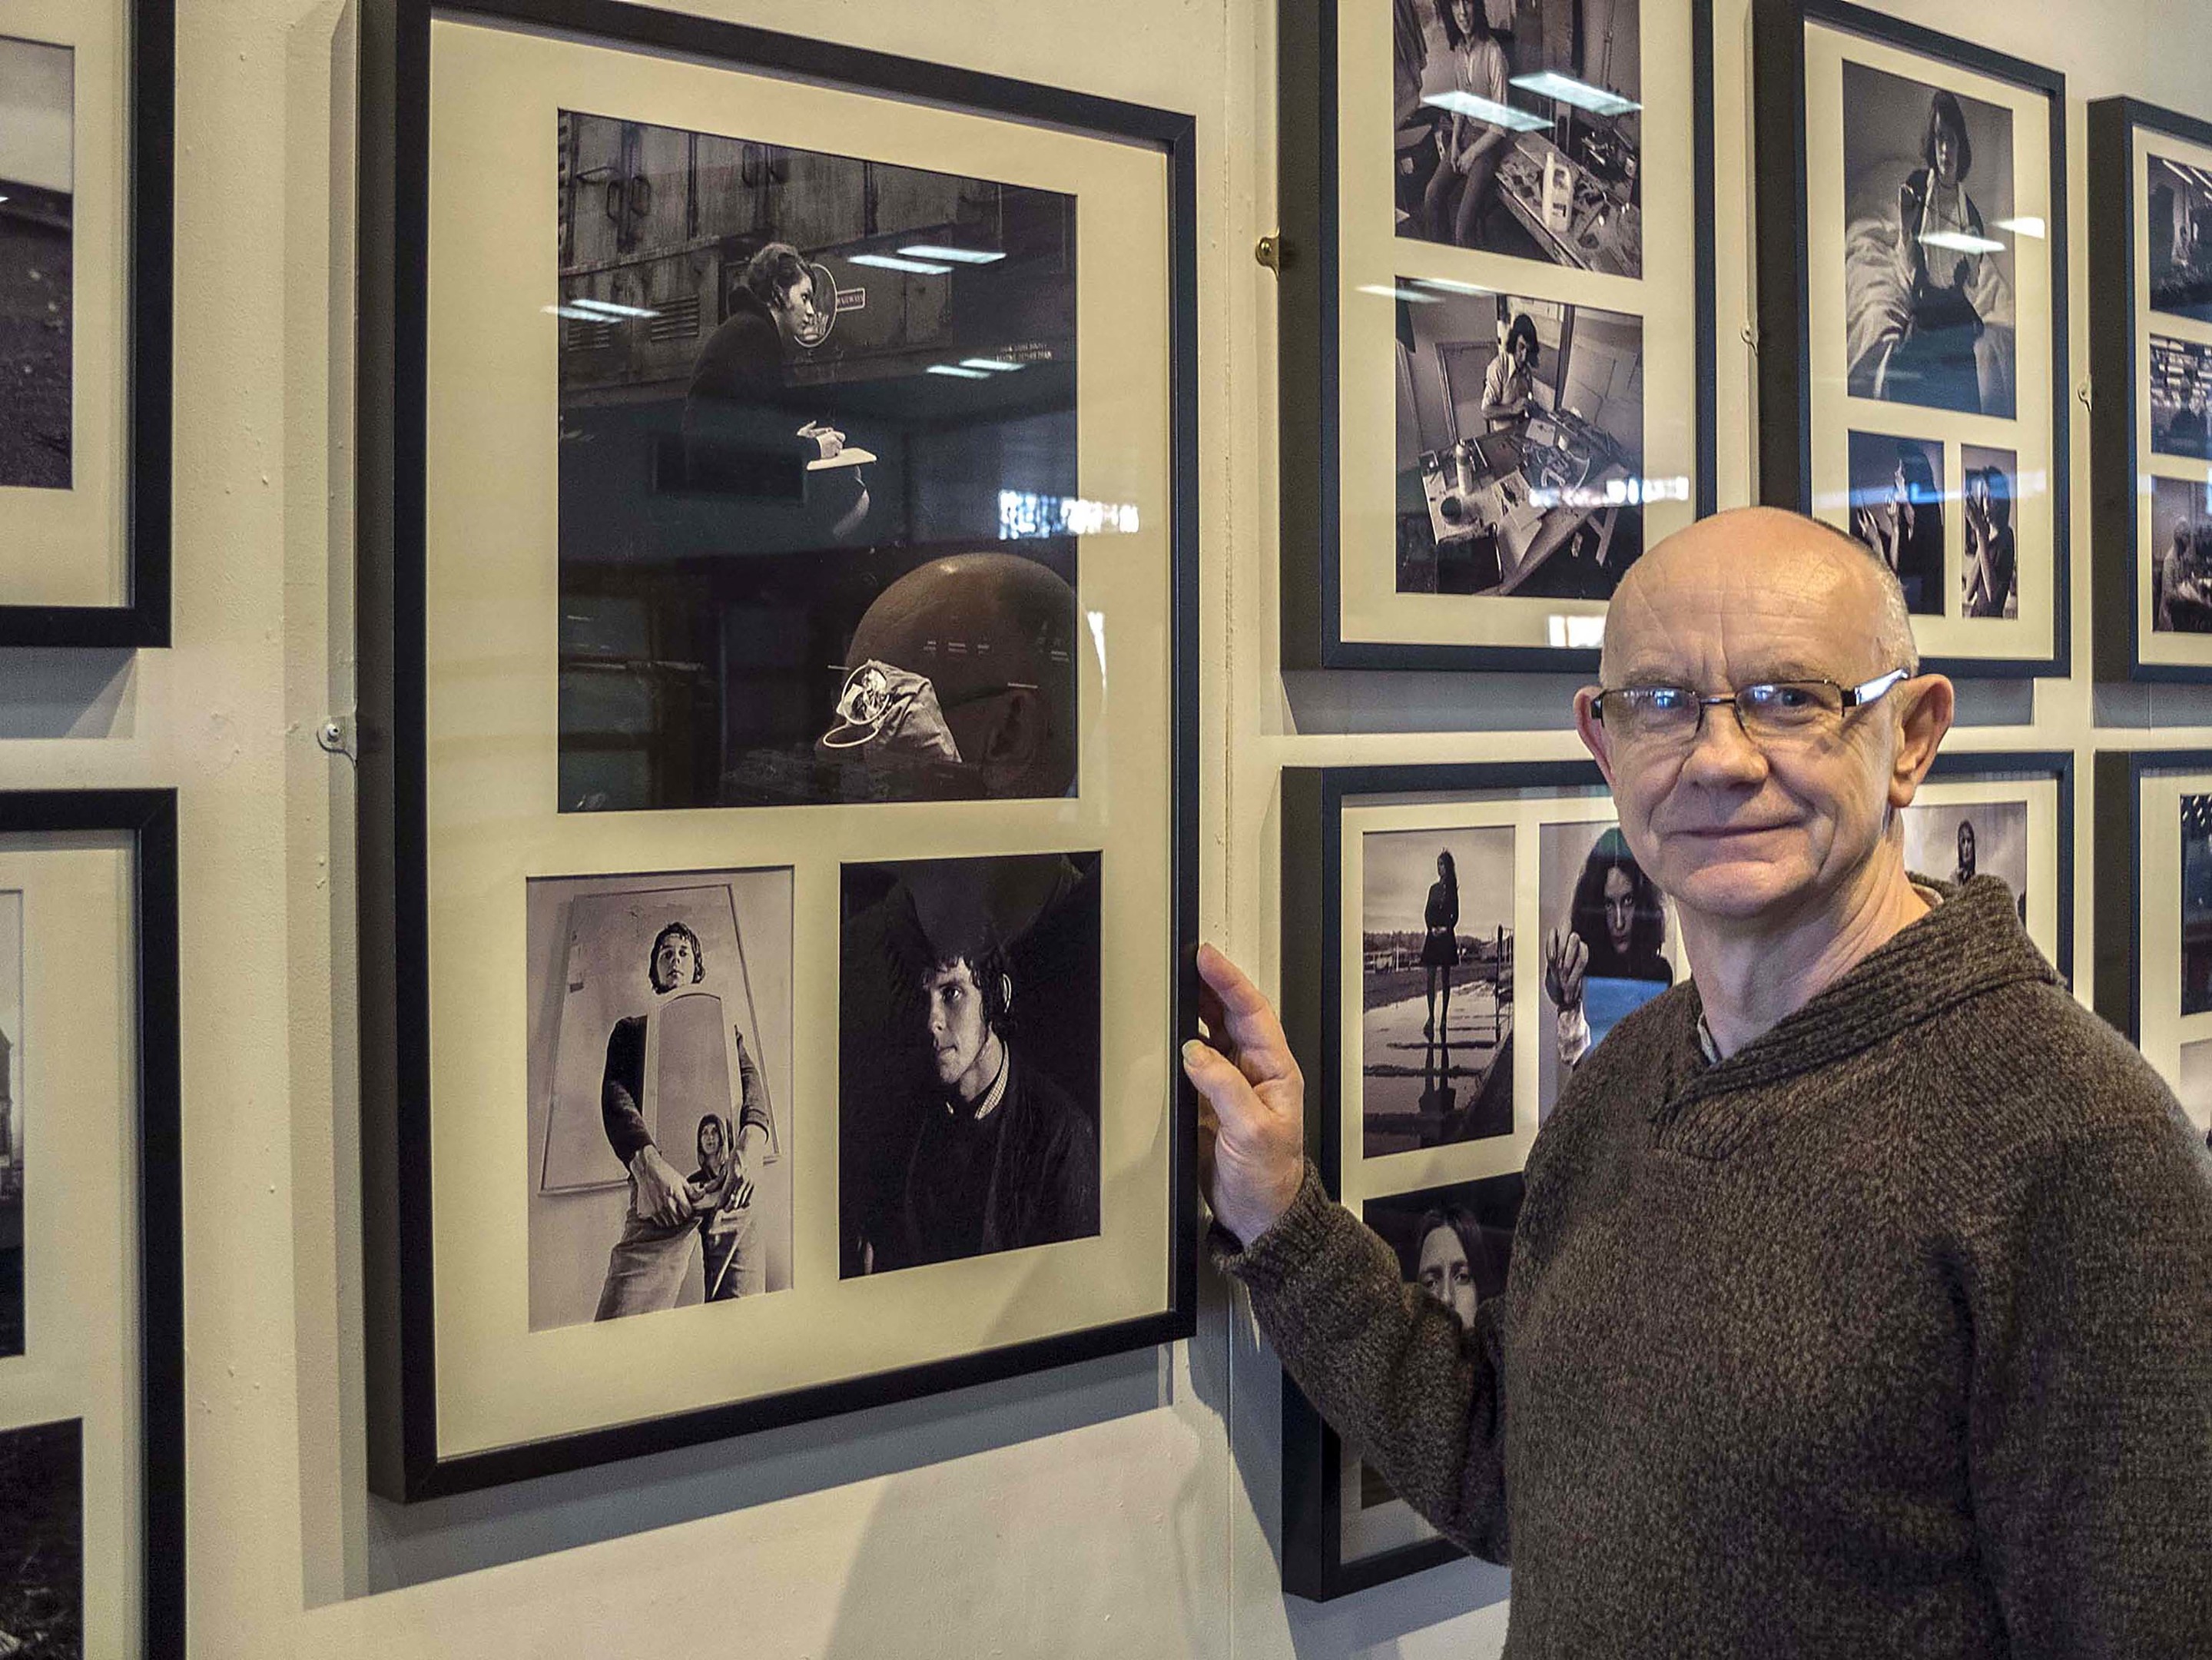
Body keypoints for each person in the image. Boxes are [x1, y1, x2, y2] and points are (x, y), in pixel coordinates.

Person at [1184, 505, 2212, 1655]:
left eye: (1790, 698)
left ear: (1911, 740)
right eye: (1662, 704)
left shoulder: (2079, 1146)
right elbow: (1512, 1476)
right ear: (1601, 743)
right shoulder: (1626, 1082)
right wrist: (1280, 1216)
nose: (1719, 759)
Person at [861, 907, 1099, 1272]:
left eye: (952, 993)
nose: (931, 1022)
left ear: (998, 996)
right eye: (922, 997)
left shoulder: (1061, 1136)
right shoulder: (902, 1118)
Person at [593, 920, 778, 1320]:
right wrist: (649, 1168)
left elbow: (752, 1088)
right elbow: (615, 1099)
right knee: (623, 1326)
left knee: (743, 1319)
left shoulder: (726, 1029)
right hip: (662, 1190)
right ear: (654, 971)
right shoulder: (630, 1031)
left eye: (682, 952)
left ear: (696, 968)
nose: (674, 959)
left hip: (731, 1188)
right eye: (665, 953)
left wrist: (749, 1149)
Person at [1889, 91, 1998, 414]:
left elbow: (1974, 284)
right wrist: (1907, 228)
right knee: (1902, 375)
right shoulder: (1918, 188)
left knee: (1963, 392)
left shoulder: (1972, 215)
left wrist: (1975, 258)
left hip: (1954, 314)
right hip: (1924, 304)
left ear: (1961, 147)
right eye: (1939, 139)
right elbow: (1904, 264)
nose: (1945, 151)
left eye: (1952, 141)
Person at [1541, 826, 1671, 1075]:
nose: (1620, 921)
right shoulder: (1582, 968)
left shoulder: (1660, 972)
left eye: (1628, 901)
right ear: (1595, 906)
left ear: (1642, 901)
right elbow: (1555, 986)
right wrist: (1564, 989)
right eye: (1609, 905)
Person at [1419, 0, 1514, 249]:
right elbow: (1461, 105)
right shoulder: (1460, 49)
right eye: (1455, 4)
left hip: (1489, 141)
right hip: (1466, 133)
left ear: (1478, 8)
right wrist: (1454, 146)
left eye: (1468, 3)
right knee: (1432, 194)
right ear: (1449, 12)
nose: (1462, 11)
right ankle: (1440, 259)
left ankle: (1469, 276)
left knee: (1463, 225)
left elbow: (1500, 126)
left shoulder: (1493, 52)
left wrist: (1471, 154)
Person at [1852, 440, 1942, 613]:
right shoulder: (1905, 522)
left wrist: (1876, 541)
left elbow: (1895, 589)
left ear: (1912, 478)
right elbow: (1897, 568)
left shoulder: (1930, 534)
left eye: (1901, 470)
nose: (1896, 474)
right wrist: (1895, 527)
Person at [688, 1113, 759, 1303]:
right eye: (705, 1133)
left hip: (739, 1250)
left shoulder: (735, 1172)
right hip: (710, 1258)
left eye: (714, 1132)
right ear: (699, 1140)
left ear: (721, 1137)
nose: (710, 1137)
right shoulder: (693, 1181)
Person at [1962, 464, 2015, 619]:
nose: (1986, 504)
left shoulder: (2007, 537)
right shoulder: (1986, 534)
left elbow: (1993, 595)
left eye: (1991, 497)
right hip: (1976, 614)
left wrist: (1980, 536)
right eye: (1984, 497)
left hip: (1991, 621)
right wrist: (1982, 535)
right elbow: (1969, 593)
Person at [1420, 848, 1459, 1039]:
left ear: (1448, 866)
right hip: (1433, 938)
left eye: (1442, 864)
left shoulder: (1452, 889)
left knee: (1445, 980)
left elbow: (1456, 915)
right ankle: (1431, 1017)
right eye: (1438, 865)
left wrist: (1446, 929)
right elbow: (1426, 913)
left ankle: (1444, 1018)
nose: (1439, 868)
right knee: (1430, 979)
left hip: (1446, 938)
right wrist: (1431, 928)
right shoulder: (1433, 889)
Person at [1479, 312, 1539, 434]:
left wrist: (1532, 407)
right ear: (1513, 342)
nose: (1524, 357)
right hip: (1503, 435)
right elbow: (1485, 411)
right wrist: (1512, 409)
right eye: (1521, 347)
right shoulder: (1498, 367)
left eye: (1528, 350)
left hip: (1521, 431)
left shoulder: (1526, 370)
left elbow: (1527, 405)